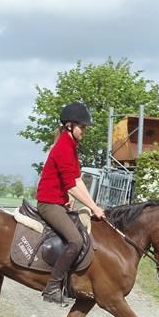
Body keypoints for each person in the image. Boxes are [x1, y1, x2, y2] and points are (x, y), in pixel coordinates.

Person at [36, 102, 106, 304]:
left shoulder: (71, 146)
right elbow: (71, 187)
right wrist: (92, 207)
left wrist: (93, 205)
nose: (84, 130)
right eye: (82, 127)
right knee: (75, 240)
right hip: (49, 203)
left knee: (83, 233)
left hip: (59, 203)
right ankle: (52, 288)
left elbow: (77, 180)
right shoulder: (63, 148)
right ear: (69, 126)